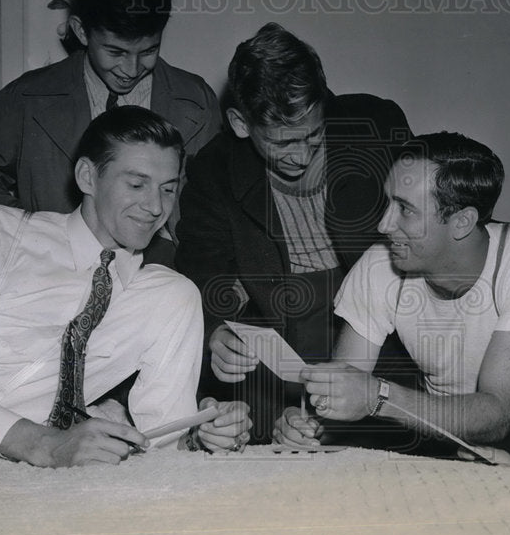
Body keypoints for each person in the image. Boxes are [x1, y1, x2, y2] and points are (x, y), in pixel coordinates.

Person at [0, 106, 250, 467]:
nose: (156, 206)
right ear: (87, 177)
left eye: (168, 189)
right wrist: (46, 445)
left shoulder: (171, 297)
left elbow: (162, 441)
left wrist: (201, 433)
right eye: (137, 184)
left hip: (49, 486)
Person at [274, 131, 510, 464]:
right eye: (388, 202)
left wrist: (379, 397)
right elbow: (346, 385)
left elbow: (497, 412)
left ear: (462, 221)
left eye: (405, 210)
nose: (383, 224)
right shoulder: (380, 263)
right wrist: (308, 424)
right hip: (432, 417)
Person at [175, 22, 412, 438]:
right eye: (282, 143)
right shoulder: (213, 170)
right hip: (280, 334)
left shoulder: (376, 124)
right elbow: (200, 270)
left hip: (381, 327)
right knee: (274, 443)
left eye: (314, 135)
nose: (301, 156)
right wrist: (216, 332)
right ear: (240, 123)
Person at [0, 0, 220, 264]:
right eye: (115, 52)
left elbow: (219, 203)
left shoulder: (197, 101)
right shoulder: (26, 98)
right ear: (81, 31)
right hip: (53, 274)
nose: (131, 70)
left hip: (167, 278)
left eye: (148, 51)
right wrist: (31, 228)